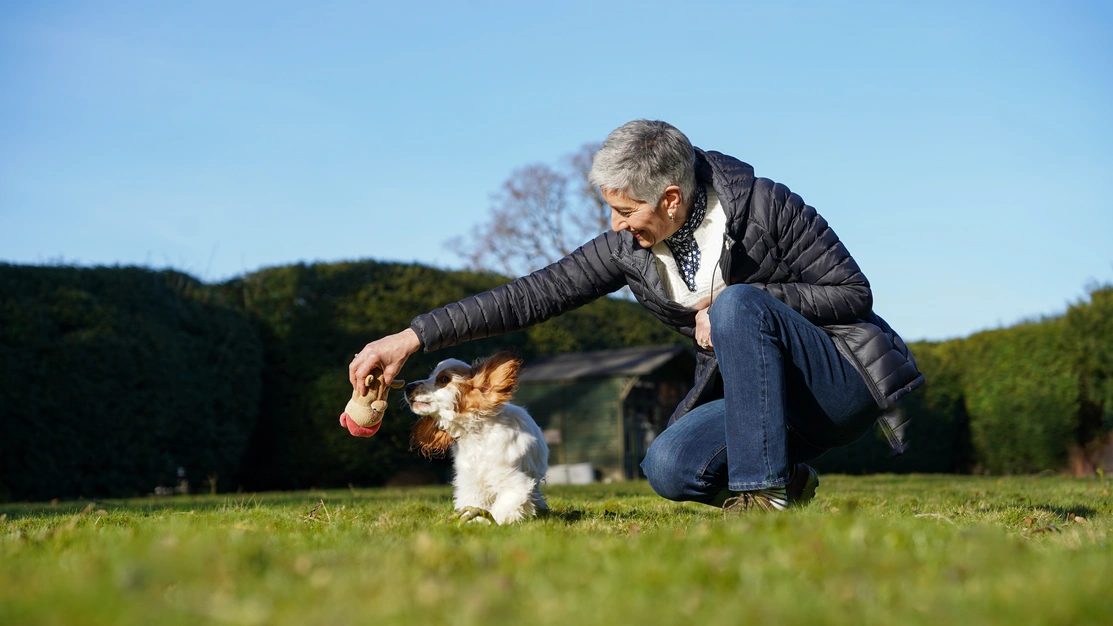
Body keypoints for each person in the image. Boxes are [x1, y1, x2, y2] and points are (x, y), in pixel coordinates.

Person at [349, 120, 924, 512]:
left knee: (741, 300)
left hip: (836, 382)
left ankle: (762, 499)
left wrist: (740, 299)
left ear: (671, 199)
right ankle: (790, 480)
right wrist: (411, 337)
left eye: (627, 211)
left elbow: (852, 293)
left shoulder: (767, 206)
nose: (617, 225)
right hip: (759, 404)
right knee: (668, 465)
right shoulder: (629, 250)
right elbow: (530, 295)